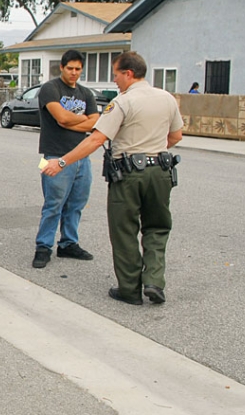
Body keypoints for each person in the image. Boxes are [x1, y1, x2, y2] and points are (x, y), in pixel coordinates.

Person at [42, 52, 183, 305]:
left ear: (128, 74)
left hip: (129, 174)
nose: (115, 80)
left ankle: (130, 289)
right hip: (160, 172)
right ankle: (153, 281)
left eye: (116, 74)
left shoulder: (122, 102)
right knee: (157, 228)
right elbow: (175, 137)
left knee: (124, 230)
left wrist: (61, 161)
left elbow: (96, 140)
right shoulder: (167, 99)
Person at [32, 49, 100, 268]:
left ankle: (68, 244)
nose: (73, 72)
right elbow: (60, 118)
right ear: (61, 67)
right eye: (69, 68)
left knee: (77, 203)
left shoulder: (86, 93)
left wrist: (72, 121)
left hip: (81, 157)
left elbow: (95, 123)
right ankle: (43, 247)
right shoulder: (50, 89)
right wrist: (79, 120)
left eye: (78, 69)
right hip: (54, 156)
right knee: (53, 204)